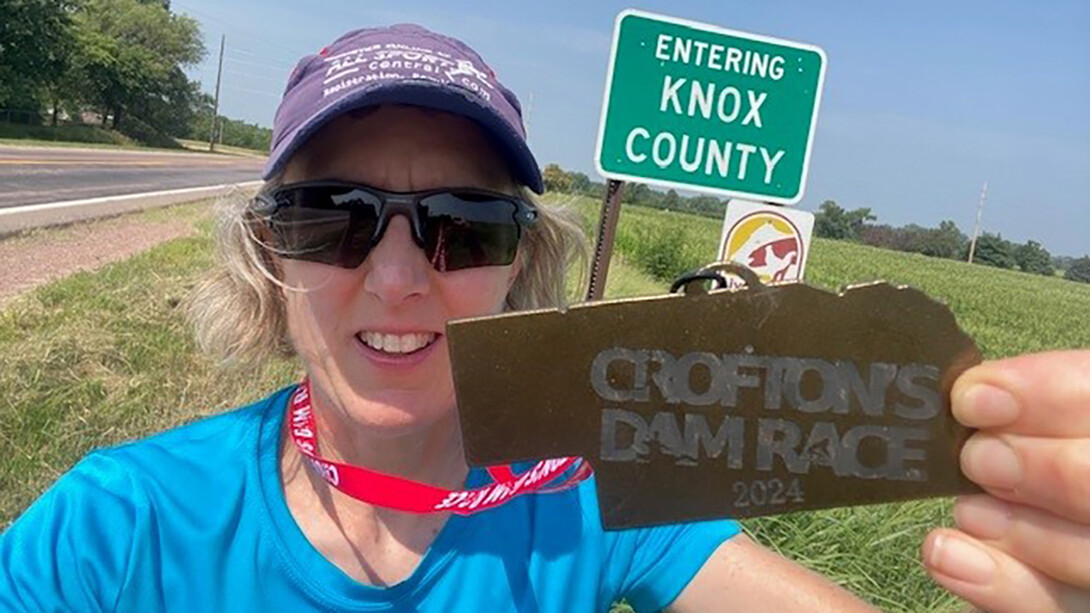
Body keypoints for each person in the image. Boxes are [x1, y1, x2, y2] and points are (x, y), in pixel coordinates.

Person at [1, 23, 1087, 613]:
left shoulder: (587, 491)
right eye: (331, 220)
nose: (395, 279)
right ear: (264, 257)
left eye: (463, 226)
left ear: (520, 267)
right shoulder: (112, 534)